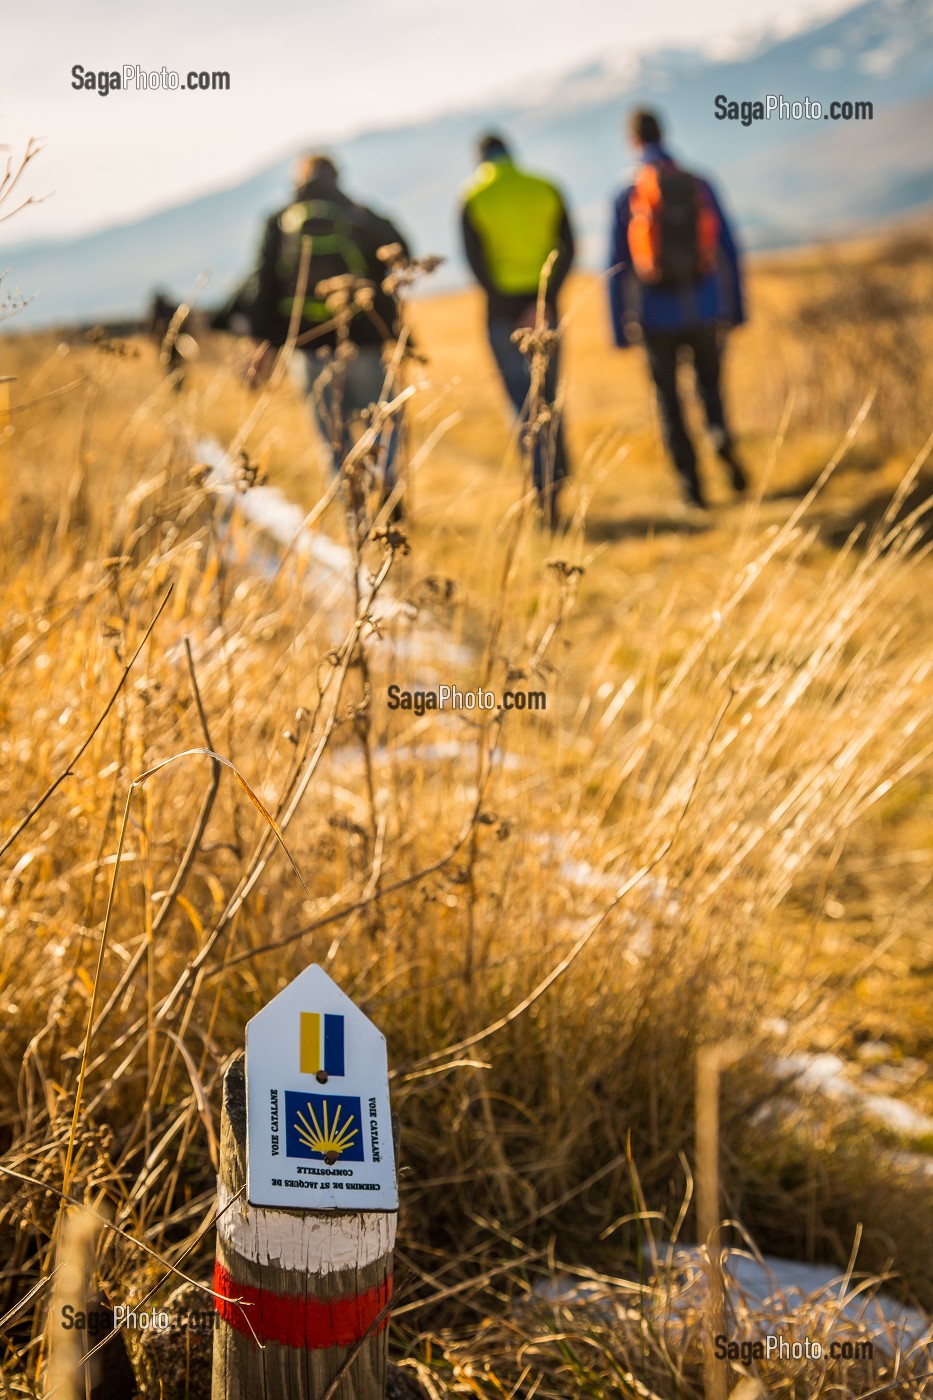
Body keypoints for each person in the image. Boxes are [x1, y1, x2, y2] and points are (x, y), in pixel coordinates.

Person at [240, 154, 410, 506]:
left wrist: (262, 345)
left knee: (332, 436)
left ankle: (352, 504)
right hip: (364, 340)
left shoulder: (280, 222)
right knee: (384, 420)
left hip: (308, 348)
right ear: (337, 177)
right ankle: (387, 480)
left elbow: (263, 287)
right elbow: (402, 252)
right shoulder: (360, 216)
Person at [608, 109, 748, 510]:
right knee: (710, 391)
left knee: (669, 403)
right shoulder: (699, 182)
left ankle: (693, 490)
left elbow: (617, 269)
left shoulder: (627, 193)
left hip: (655, 319)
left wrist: (620, 328)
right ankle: (721, 439)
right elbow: (728, 250)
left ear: (633, 141)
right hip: (704, 310)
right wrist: (735, 309)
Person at [460, 133, 575, 526]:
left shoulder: (472, 195)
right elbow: (569, 247)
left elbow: (475, 263)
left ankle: (542, 489)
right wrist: (541, 302)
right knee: (549, 399)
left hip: (500, 316)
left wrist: (511, 306)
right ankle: (557, 478)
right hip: (545, 311)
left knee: (522, 406)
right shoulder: (545, 187)